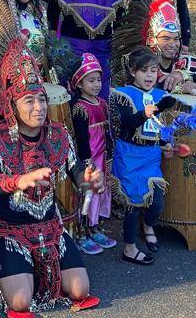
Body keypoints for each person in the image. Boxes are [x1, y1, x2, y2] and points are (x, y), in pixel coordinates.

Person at [0, 38, 104, 317]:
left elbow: (76, 174)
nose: (39, 107)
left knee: (80, 290)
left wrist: (90, 181)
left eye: (42, 99)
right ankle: (13, 267)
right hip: (11, 232)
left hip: (51, 229)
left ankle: (36, 268)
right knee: (20, 302)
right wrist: (18, 181)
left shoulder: (58, 135)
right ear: (12, 104)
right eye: (29, 100)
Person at [110, 50, 179, 264]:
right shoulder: (122, 94)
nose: (149, 76)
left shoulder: (160, 95)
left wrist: (166, 144)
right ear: (132, 71)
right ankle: (129, 249)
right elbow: (127, 126)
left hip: (151, 156)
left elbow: (158, 129)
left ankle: (148, 225)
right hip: (129, 155)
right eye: (143, 71)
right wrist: (149, 112)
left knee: (157, 202)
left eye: (153, 70)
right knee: (133, 205)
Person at [69, 54, 115, 255]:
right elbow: (80, 139)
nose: (96, 84)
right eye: (91, 80)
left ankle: (95, 226)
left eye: (98, 80)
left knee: (101, 193)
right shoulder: (79, 108)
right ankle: (82, 231)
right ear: (79, 83)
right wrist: (87, 162)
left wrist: (110, 153)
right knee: (88, 194)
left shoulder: (102, 103)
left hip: (103, 157)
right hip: (90, 159)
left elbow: (107, 131)